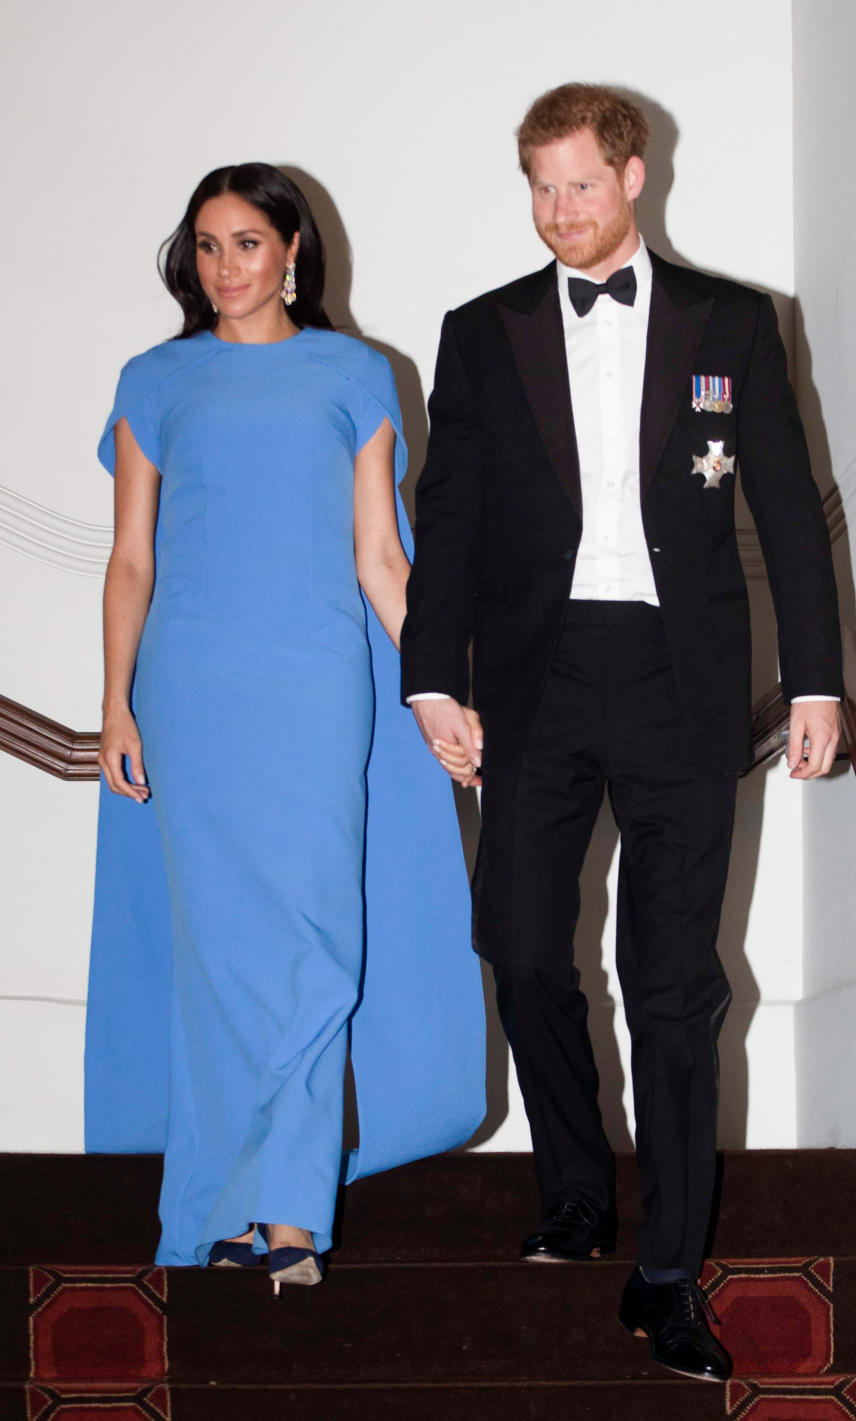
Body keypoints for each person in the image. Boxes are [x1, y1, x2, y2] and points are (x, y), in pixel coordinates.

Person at [401, 85, 842, 1380]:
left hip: (681, 682)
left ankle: (666, 1274)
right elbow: (454, 515)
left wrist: (814, 678)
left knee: (675, 987)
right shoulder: (485, 334)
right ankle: (577, 1185)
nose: (559, 213)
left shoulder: (733, 323)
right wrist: (434, 678)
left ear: (634, 176)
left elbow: (791, 511)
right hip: (536, 682)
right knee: (524, 947)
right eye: (540, 188)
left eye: (580, 186)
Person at [85, 163, 485, 1293]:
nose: (225, 267)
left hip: (315, 686)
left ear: (294, 249)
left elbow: (380, 558)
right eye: (206, 246)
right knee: (219, 962)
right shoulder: (154, 378)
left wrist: (441, 691)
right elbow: (131, 558)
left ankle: (292, 1209)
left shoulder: (355, 372)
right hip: (194, 691)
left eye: (247, 243)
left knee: (317, 953)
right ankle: (223, 1207)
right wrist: (117, 700)